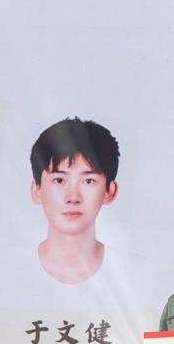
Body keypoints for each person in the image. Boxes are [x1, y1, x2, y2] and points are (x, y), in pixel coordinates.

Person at [27, 117, 121, 285]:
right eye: (59, 180)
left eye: (88, 181)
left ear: (110, 191)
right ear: (37, 190)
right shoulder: (11, 270)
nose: (73, 197)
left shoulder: (133, 271)